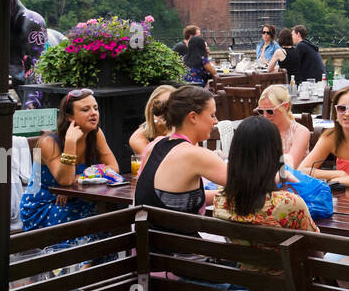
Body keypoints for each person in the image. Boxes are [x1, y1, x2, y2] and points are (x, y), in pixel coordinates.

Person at [20, 89, 121, 231]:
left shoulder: (96, 133)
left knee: (110, 217)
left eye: (95, 108)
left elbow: (114, 167)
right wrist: (70, 142)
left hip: (79, 198)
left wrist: (79, 179)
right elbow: (65, 181)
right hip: (45, 206)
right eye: (86, 109)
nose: (94, 113)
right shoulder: (48, 143)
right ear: (69, 117)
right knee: (91, 225)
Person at [213, 116, 318, 233]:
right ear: (276, 152)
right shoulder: (289, 203)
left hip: (233, 251)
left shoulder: (220, 199)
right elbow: (315, 246)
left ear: (234, 153)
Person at [135, 86, 227, 214]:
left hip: (146, 232)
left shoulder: (153, 146)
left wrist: (220, 194)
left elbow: (173, 199)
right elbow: (249, 184)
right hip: (179, 233)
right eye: (212, 115)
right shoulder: (195, 154)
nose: (216, 121)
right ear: (193, 117)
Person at [298, 85, 349, 189]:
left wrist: (335, 181)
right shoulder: (331, 137)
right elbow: (301, 171)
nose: (347, 113)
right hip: (341, 197)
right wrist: (337, 174)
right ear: (336, 113)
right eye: (341, 108)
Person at [256, 83, 310, 167]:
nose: (265, 116)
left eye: (270, 111)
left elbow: (290, 166)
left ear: (285, 106)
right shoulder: (261, 130)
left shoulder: (300, 132)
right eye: (261, 111)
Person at [129, 84, 174, 159]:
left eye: (173, 105)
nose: (168, 110)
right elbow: (157, 163)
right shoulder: (138, 137)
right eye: (164, 105)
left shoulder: (185, 128)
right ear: (151, 107)